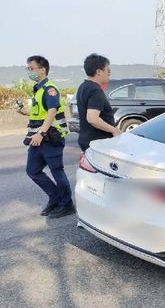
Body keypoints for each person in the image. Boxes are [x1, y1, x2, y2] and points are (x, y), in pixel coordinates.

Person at [21, 55, 75, 218]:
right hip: (37, 138)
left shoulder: (50, 88)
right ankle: (55, 197)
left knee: (57, 171)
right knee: (32, 170)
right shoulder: (38, 88)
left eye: (31, 68)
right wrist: (26, 112)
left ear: (42, 69)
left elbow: (52, 111)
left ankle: (67, 205)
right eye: (28, 69)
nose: (29, 71)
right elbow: (43, 112)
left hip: (50, 137)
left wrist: (41, 132)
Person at [76, 54, 121, 152]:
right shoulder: (95, 90)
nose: (109, 74)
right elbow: (92, 118)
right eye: (108, 71)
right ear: (99, 71)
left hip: (86, 139)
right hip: (98, 142)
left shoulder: (83, 86)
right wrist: (114, 130)